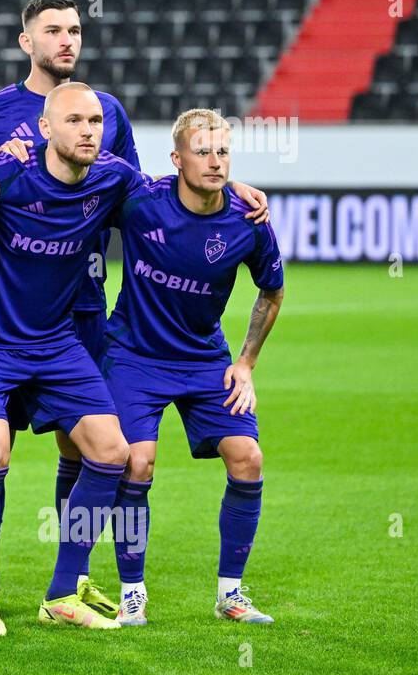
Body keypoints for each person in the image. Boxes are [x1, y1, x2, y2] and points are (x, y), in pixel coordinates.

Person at [0, 83, 269, 628]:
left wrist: (228, 186)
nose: (88, 130)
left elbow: (177, 190)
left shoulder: (114, 179)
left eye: (95, 120)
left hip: (57, 341)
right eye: (74, 120)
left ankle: (61, 594)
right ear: (44, 128)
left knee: (110, 451)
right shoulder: (3, 175)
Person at [0, 0, 140, 615]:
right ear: (27, 41)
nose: (67, 40)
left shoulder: (108, 110)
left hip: (77, 306)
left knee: (85, 447)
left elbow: (136, 201)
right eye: (53, 30)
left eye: (75, 29)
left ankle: (67, 584)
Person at [103, 109, 284, 626]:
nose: (215, 161)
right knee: (137, 465)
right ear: (177, 158)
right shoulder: (141, 203)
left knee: (248, 458)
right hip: (134, 356)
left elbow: (271, 291)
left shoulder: (247, 221)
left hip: (206, 359)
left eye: (223, 152)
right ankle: (132, 593)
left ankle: (231, 593)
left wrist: (246, 362)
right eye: (202, 151)